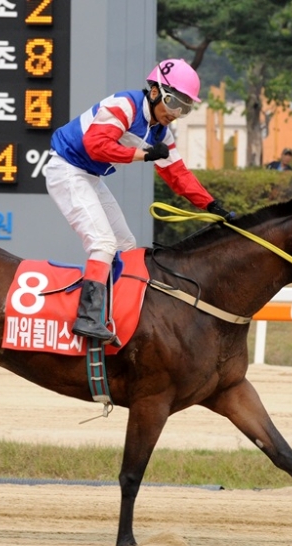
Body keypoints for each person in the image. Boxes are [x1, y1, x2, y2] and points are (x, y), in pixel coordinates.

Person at [45, 58, 234, 342]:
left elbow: (177, 174)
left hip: (90, 177)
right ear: (155, 91)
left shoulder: (161, 132)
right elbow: (95, 146)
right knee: (103, 243)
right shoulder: (124, 104)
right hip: (67, 169)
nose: (176, 112)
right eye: (174, 102)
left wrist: (211, 204)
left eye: (185, 107)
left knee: (126, 246)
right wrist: (143, 155)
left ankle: (116, 311)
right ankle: (87, 317)